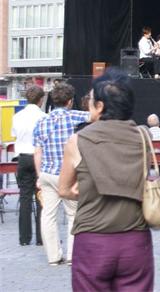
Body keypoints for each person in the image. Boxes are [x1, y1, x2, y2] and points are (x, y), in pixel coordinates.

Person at [57, 69, 154, 290]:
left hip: (93, 239)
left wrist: (90, 189)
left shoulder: (78, 141)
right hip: (135, 240)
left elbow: (64, 190)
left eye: (91, 100)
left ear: (100, 106)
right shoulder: (143, 137)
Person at [33, 82, 90, 265]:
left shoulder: (41, 121)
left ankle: (53, 256)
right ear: (70, 101)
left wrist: (39, 176)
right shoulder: (74, 116)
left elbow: (37, 152)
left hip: (47, 173)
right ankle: (73, 254)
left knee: (48, 215)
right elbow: (95, 116)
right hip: (68, 174)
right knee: (73, 214)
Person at [11, 85, 46, 246]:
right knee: (41, 198)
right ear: (41, 100)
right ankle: (41, 237)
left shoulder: (17, 116)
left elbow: (14, 134)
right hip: (39, 157)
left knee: (25, 198)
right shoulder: (44, 116)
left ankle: (24, 238)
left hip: (23, 157)